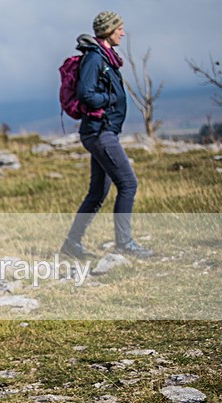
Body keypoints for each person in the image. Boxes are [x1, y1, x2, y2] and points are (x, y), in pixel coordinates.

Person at [61, 11, 153, 260]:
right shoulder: (94, 58)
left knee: (98, 192)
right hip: (99, 132)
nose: (123, 32)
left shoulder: (106, 57)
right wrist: (111, 98)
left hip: (102, 131)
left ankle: (71, 245)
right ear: (109, 30)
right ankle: (124, 244)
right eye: (119, 28)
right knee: (128, 183)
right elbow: (86, 94)